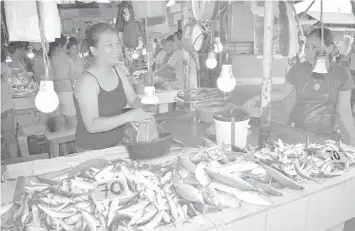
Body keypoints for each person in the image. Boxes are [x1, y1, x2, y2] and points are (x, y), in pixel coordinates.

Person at [245, 28, 355, 146]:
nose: (308, 51)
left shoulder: (342, 74)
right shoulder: (298, 69)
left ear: (330, 48)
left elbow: (344, 110)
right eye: (306, 46)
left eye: (315, 47)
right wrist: (258, 98)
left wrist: (352, 137)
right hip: (296, 133)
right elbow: (282, 93)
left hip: (328, 139)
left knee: (330, 162)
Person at [73, 23, 153, 152]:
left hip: (117, 144)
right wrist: (130, 116)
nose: (117, 49)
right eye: (109, 45)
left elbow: (133, 100)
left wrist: (145, 108)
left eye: (117, 43)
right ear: (94, 50)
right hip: (91, 150)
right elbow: (92, 125)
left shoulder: (117, 71)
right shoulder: (87, 81)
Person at [48, 35, 77, 130]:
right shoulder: (67, 59)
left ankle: (62, 145)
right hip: (66, 90)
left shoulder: (50, 58)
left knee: (60, 123)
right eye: (65, 46)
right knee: (73, 122)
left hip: (54, 91)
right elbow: (72, 77)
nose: (66, 48)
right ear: (60, 46)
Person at [1, 44, 19, 159]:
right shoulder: (4, 66)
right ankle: (15, 164)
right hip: (7, 108)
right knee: (10, 138)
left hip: (6, 108)